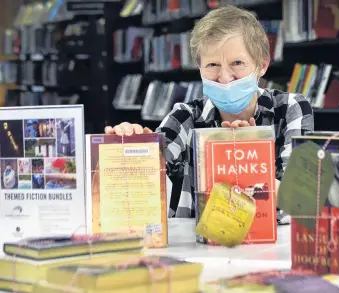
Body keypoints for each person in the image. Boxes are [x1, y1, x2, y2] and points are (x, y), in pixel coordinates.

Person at [105, 5, 314, 223]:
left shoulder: (291, 108)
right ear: (199, 68)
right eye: (212, 64)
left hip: (271, 248)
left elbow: (302, 202)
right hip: (200, 250)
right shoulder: (184, 117)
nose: (224, 77)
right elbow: (143, 175)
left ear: (261, 66)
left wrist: (250, 161)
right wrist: (129, 145)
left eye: (237, 63)